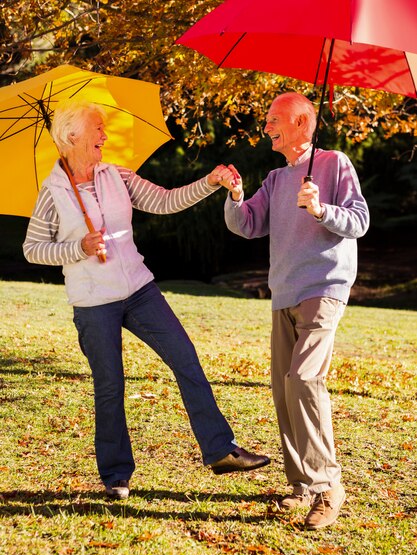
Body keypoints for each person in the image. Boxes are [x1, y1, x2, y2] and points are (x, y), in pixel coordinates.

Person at [23, 100, 270, 500]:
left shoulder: (115, 175)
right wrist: (77, 247)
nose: (104, 135)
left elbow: (163, 201)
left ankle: (221, 451)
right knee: (110, 385)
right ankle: (116, 476)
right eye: (97, 128)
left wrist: (209, 183)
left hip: (139, 290)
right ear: (72, 136)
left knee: (185, 357)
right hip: (93, 302)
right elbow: (33, 249)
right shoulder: (52, 192)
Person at [220, 92, 369, 530]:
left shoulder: (335, 163)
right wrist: (234, 195)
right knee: (283, 389)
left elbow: (359, 221)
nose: (267, 128)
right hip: (283, 290)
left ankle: (328, 485)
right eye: (267, 121)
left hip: (324, 287)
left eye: (274, 120)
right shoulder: (275, 178)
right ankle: (302, 484)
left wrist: (322, 209)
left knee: (304, 379)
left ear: (303, 124)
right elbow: (246, 224)